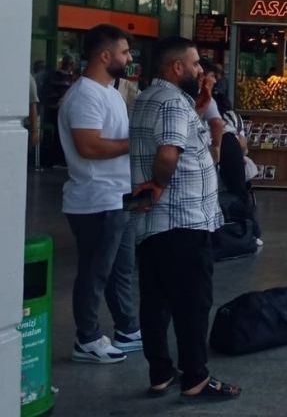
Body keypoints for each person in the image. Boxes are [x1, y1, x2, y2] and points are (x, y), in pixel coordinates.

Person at [130, 36, 240, 401]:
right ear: (176, 67)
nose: (200, 71)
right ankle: (195, 378)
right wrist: (159, 184)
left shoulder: (149, 97)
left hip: (154, 225)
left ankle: (160, 373)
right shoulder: (174, 102)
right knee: (192, 304)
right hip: (183, 221)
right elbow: (167, 153)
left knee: (155, 301)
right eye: (195, 64)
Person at [57, 24, 141, 364]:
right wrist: (135, 144)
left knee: (122, 268)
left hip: (121, 195)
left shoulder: (111, 92)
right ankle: (87, 338)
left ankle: (127, 328)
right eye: (124, 52)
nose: (129, 57)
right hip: (95, 199)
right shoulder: (84, 95)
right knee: (95, 271)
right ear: (104, 55)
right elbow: (88, 146)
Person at [213, 90, 263, 246]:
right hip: (233, 156)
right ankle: (251, 231)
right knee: (240, 194)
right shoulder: (234, 118)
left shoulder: (210, 118)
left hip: (221, 156)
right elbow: (243, 144)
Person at [196, 59, 225, 165]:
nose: (215, 81)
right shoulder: (205, 98)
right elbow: (217, 123)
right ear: (202, 77)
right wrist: (216, 147)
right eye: (212, 76)